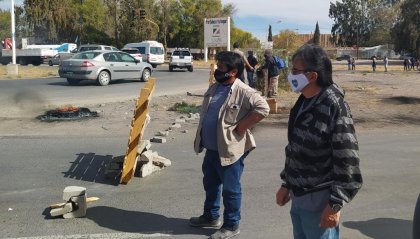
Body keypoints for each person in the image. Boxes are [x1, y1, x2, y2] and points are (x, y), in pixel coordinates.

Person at [276, 44, 363, 239]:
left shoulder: (334, 106)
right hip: (299, 196)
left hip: (320, 201)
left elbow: (347, 158)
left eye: (295, 71)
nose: (291, 75)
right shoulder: (304, 101)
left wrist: (334, 204)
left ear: (312, 76)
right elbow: (295, 147)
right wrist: (287, 183)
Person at [190, 51, 270, 239]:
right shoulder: (215, 87)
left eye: (221, 67)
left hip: (229, 151)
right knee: (210, 185)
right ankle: (211, 216)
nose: (217, 69)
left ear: (233, 72)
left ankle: (231, 225)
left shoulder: (244, 91)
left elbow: (263, 108)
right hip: (211, 149)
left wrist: (242, 127)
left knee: (230, 190)